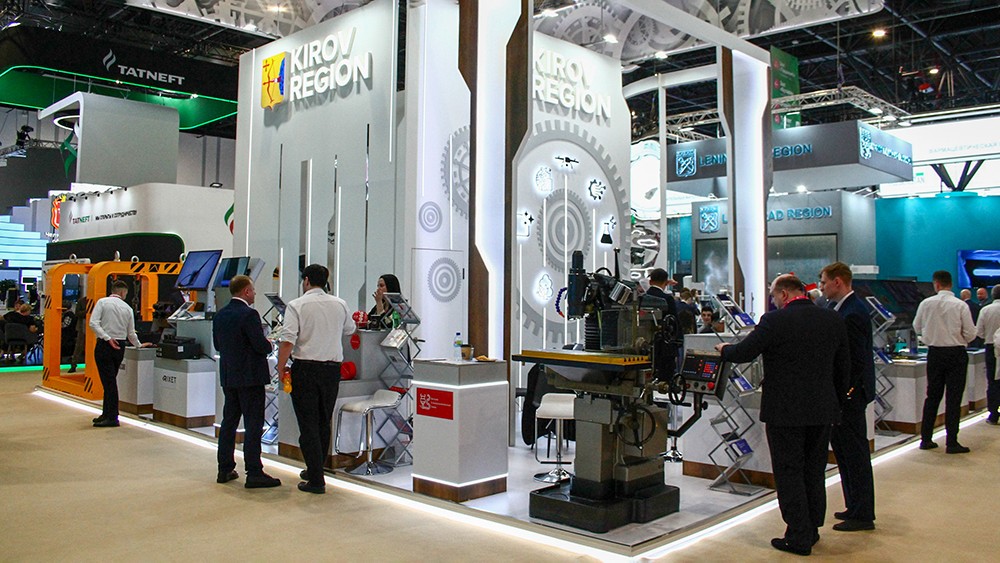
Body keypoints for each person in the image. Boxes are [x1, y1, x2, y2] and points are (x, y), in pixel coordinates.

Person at [715, 274, 849, 556]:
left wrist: (725, 350)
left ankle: (798, 535)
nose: (774, 301)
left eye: (774, 296)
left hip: (785, 411)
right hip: (822, 409)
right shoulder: (832, 319)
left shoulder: (774, 321)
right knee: (814, 470)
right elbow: (843, 367)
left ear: (785, 294)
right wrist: (835, 403)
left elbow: (745, 352)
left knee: (789, 472)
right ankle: (811, 528)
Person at [277, 264, 356, 494]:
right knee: (323, 421)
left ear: (306, 281)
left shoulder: (296, 305)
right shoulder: (340, 304)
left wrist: (280, 368)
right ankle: (316, 469)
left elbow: (288, 340)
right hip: (332, 371)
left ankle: (316, 480)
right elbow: (350, 329)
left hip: (305, 369)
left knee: (308, 423)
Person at [819, 262, 877, 532]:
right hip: (845, 395)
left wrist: (846, 393)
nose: (821, 287)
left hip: (850, 396)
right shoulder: (841, 309)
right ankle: (853, 505)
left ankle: (862, 513)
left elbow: (854, 361)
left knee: (854, 454)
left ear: (838, 281)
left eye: (824, 282)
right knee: (844, 453)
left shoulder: (852, 313)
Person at [212, 275, 281, 489]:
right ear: (246, 292)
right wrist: (270, 344)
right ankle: (254, 471)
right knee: (253, 424)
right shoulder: (250, 314)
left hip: (229, 376)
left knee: (229, 422)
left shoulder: (220, 315)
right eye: (253, 290)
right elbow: (260, 346)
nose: (255, 293)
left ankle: (224, 468)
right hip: (250, 378)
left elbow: (218, 345)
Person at [913, 270, 976, 453]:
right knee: (953, 399)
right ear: (951, 284)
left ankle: (926, 439)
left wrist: (927, 338)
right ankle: (952, 442)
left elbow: (917, 326)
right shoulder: (960, 305)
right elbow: (970, 333)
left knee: (932, 396)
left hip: (934, 353)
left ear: (937, 284)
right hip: (956, 354)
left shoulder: (926, 304)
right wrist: (960, 338)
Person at [89, 280, 152, 427]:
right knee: (110, 381)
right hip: (120, 346)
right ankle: (106, 413)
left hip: (105, 345)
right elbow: (131, 333)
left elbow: (93, 323)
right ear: (123, 292)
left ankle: (112, 417)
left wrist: (106, 337)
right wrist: (138, 345)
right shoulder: (128, 308)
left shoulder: (102, 302)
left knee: (108, 382)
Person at [975, 285, 1000, 425]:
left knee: (992, 381)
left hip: (991, 347)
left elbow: (979, 332)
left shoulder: (985, 310)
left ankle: (993, 414)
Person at [69, 296, 89, 373]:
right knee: (79, 347)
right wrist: (87, 311)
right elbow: (77, 313)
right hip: (82, 327)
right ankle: (73, 365)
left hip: (94, 327)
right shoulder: (82, 301)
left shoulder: (99, 300)